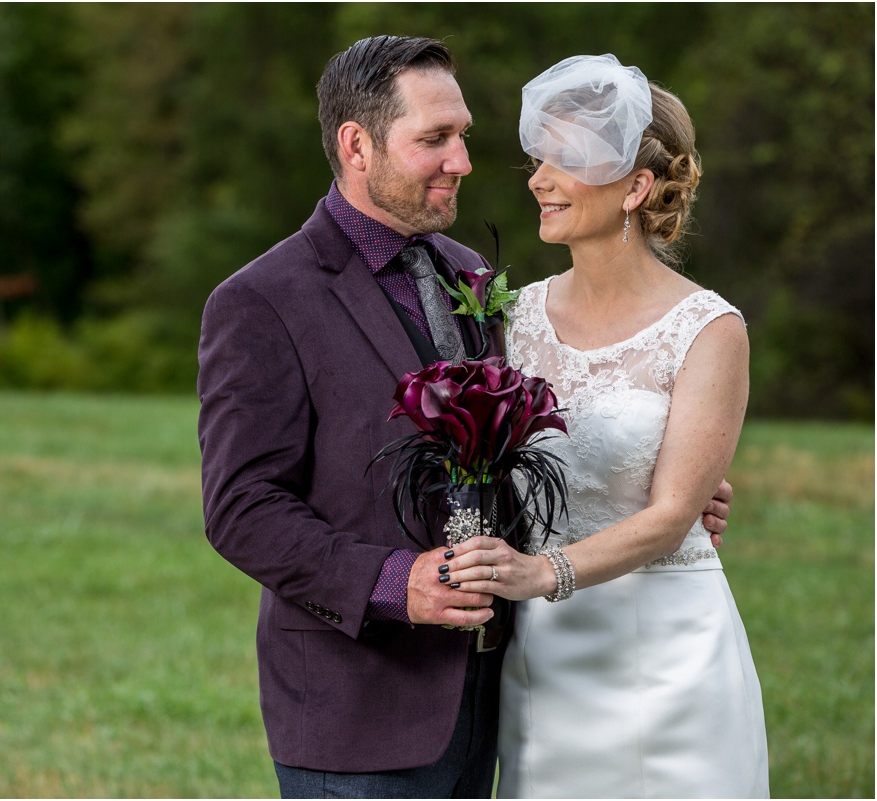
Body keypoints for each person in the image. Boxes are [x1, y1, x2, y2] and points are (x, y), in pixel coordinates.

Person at [197, 38, 733, 799]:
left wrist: (658, 481)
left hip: (502, 697)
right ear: (357, 144)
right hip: (356, 712)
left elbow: (522, 439)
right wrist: (395, 581)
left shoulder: (474, 277)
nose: (463, 161)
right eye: (434, 140)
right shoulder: (262, 300)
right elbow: (241, 510)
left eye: (463, 135)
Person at [446, 55, 769, 797]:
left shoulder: (708, 327)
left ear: (636, 185)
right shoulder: (513, 316)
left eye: (568, 159)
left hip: (670, 653)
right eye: (539, 158)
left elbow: (668, 515)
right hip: (549, 658)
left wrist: (540, 573)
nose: (539, 178)